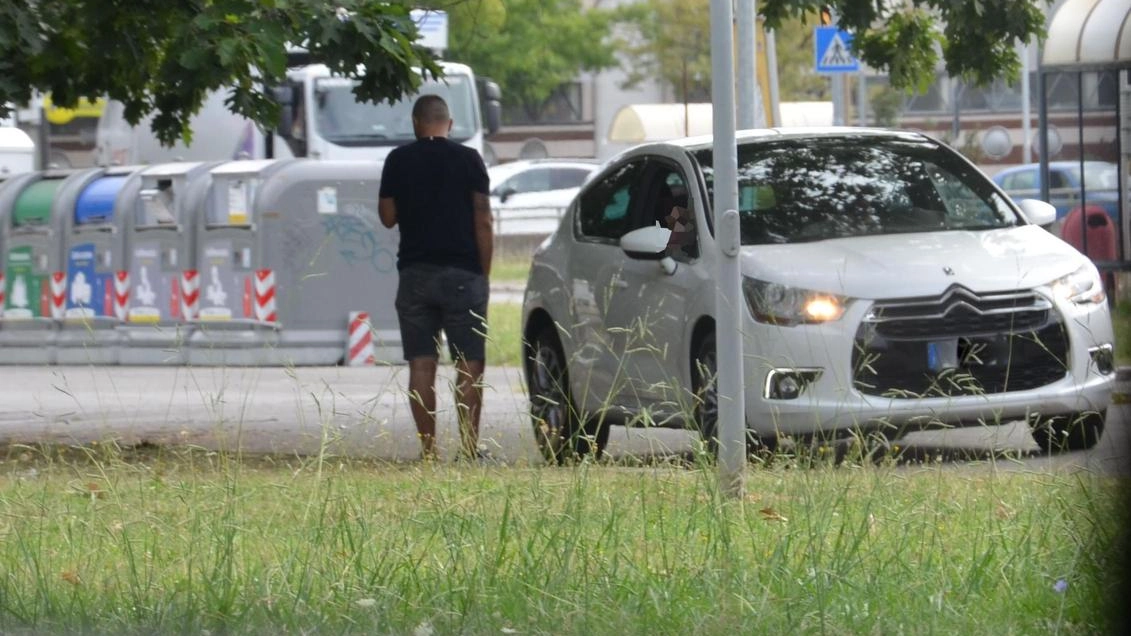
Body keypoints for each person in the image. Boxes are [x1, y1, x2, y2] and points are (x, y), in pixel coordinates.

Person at [378, 94, 494, 462]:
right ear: (450, 124)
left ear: (415, 122)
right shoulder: (469, 160)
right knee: (469, 364)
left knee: (421, 364)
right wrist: (483, 274)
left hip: (414, 274)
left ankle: (428, 452)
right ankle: (469, 449)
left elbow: (387, 216)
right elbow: (483, 220)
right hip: (463, 273)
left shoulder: (398, 160)